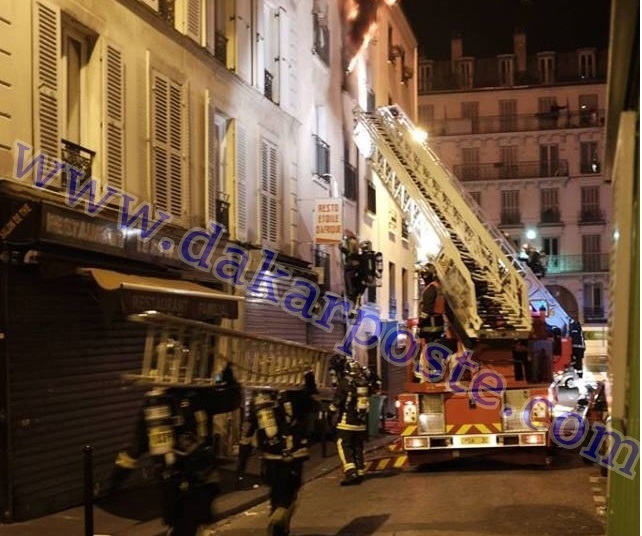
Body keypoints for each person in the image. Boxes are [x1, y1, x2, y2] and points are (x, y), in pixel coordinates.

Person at [110, 386, 221, 536]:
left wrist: (115, 482)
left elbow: (135, 448)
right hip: (198, 479)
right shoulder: (198, 396)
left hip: (173, 481)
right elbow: (230, 401)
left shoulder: (153, 405)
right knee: (189, 526)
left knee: (182, 526)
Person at [237, 388, 311, 536]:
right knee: (288, 497)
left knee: (276, 494)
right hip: (293, 458)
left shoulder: (256, 409)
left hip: (270, 461)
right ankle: (278, 520)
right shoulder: (292, 399)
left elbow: (246, 438)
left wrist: (241, 469)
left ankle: (277, 523)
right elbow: (310, 403)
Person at [328, 358, 371, 486]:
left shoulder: (344, 384)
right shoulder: (363, 383)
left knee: (343, 445)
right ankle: (360, 471)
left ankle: (350, 472)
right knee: (357, 446)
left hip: (346, 422)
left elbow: (337, 402)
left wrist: (330, 414)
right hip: (360, 423)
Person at [415, 263, 446, 380]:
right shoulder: (438, 286)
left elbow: (427, 309)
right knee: (434, 346)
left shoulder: (430, 289)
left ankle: (423, 370)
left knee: (424, 346)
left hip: (430, 323)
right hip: (438, 322)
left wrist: (420, 325)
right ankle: (432, 369)